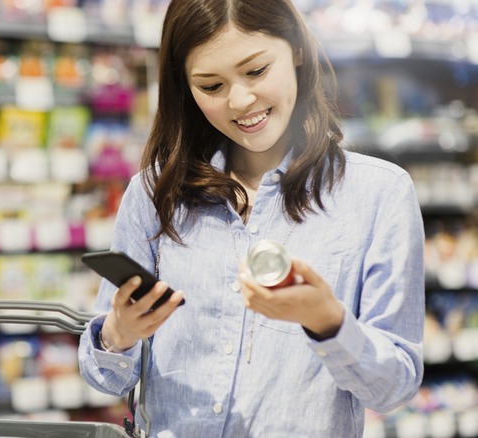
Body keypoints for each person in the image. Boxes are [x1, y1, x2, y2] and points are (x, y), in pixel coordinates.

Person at [78, 0, 425, 436]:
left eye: (257, 71)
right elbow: (104, 376)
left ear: (297, 49)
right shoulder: (154, 194)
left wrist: (329, 322)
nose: (240, 101)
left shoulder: (378, 194)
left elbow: (394, 388)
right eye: (211, 85)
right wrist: (118, 333)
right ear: (185, 88)